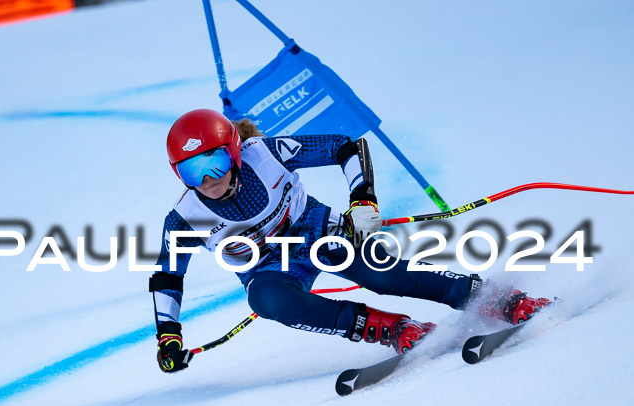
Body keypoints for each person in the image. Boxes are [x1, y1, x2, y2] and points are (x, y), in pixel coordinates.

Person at [150, 108, 550, 373]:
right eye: (191, 172)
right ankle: (390, 327)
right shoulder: (185, 217)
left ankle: (499, 298)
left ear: (234, 153)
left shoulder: (264, 154)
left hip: (316, 228)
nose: (209, 181)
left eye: (214, 163)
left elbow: (346, 146)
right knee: (268, 300)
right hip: (268, 267)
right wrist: (168, 335)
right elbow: (168, 276)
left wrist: (361, 199)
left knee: (384, 276)